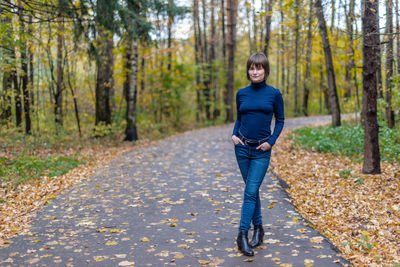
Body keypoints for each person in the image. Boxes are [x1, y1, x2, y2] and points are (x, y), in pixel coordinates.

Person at [232, 52, 284, 256]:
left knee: (250, 191)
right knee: (251, 192)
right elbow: (239, 118)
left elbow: (280, 120)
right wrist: (233, 135)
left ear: (265, 70)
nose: (255, 71)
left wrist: (270, 142)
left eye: (259, 68)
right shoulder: (241, 94)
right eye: (251, 68)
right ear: (248, 70)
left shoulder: (274, 94)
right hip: (242, 149)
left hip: (261, 151)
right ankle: (260, 230)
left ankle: (242, 234)